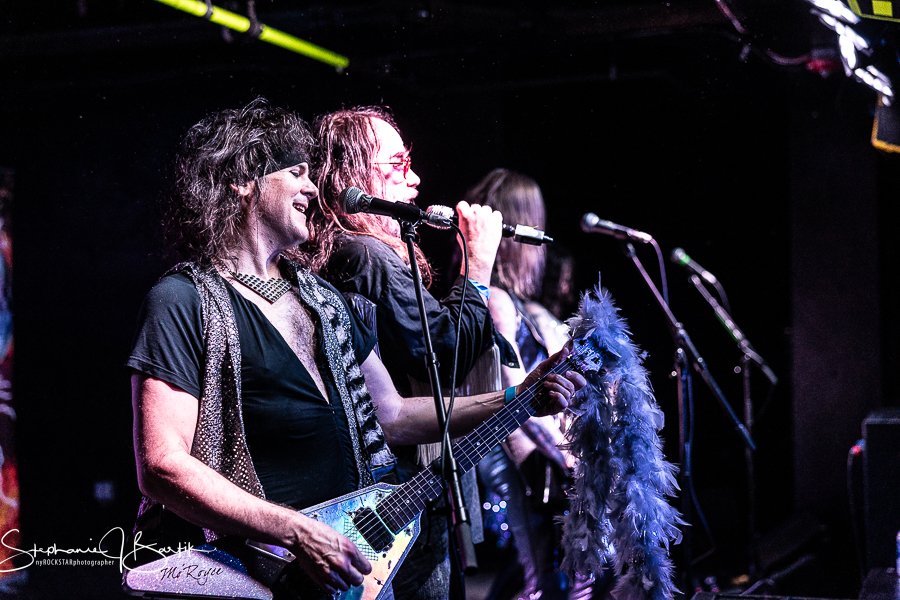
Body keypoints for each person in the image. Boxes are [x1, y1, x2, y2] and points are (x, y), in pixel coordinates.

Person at [126, 97, 585, 599]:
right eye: (296, 172)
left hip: (340, 576)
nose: (311, 187)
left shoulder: (323, 301)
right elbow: (163, 465)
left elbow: (393, 415)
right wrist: (296, 531)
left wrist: (518, 398)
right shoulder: (182, 300)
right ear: (242, 180)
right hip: (247, 575)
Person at [309, 106, 508, 600]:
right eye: (397, 165)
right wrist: (478, 263)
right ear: (352, 176)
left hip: (407, 483)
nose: (414, 179)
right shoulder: (364, 253)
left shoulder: (362, 251)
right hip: (400, 489)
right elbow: (442, 352)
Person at [464, 168, 598, 600]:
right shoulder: (498, 302)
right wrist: (567, 452)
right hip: (521, 454)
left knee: (562, 574)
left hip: (535, 451)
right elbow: (515, 395)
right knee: (543, 576)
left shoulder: (520, 303)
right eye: (534, 223)